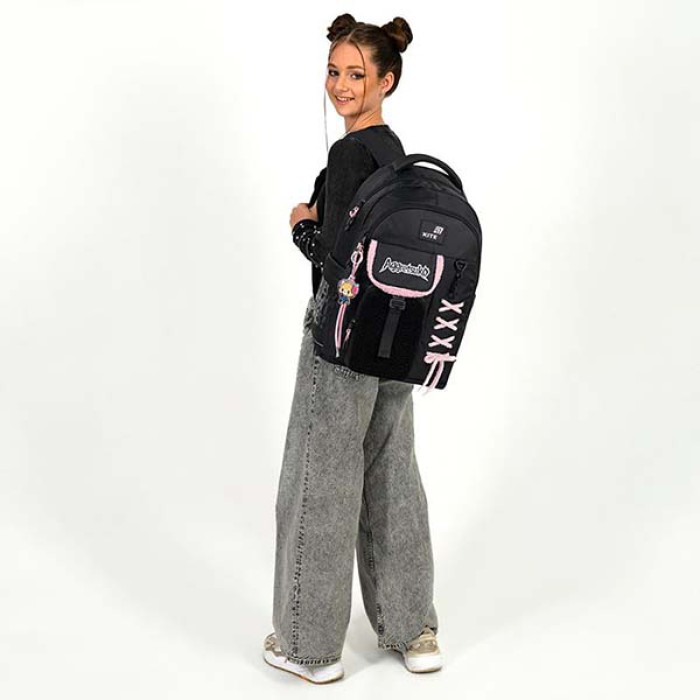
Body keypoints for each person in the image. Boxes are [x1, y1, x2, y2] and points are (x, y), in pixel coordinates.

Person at [263, 14, 442, 684]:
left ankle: (309, 648)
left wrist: (302, 227)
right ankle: (412, 630)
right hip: (397, 336)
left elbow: (339, 261)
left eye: (356, 74)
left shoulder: (349, 156)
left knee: (321, 479)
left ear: (386, 81)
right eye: (334, 71)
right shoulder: (399, 157)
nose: (340, 85)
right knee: (392, 474)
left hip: (340, 337)